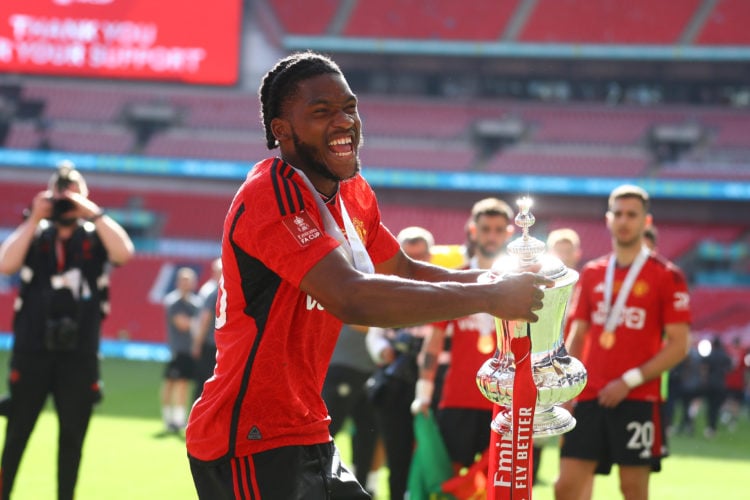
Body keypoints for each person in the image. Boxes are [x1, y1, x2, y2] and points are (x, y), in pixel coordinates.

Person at [185, 51, 550, 500]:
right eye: (322, 111)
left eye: (350, 107)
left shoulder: (352, 192)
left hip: (305, 430)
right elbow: (352, 298)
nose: (344, 122)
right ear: (281, 130)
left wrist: (495, 283)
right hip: (247, 441)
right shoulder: (270, 195)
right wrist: (491, 299)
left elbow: (404, 271)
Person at [0, 160, 134, 500]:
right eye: (60, 193)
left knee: (72, 440)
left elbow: (125, 253)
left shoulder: (94, 236)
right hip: (32, 351)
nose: (65, 200)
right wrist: (34, 216)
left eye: (72, 193)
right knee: (15, 436)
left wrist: (91, 211)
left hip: (79, 354)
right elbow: (5, 264)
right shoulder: (35, 235)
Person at [554, 184, 691, 500]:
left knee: (632, 489)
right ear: (607, 219)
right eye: (618, 214)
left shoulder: (666, 276)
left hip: (637, 397)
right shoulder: (591, 272)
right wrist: (567, 389)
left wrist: (628, 381)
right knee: (566, 486)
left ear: (646, 222)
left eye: (632, 214)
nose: (624, 221)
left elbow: (679, 344)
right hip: (589, 395)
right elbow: (578, 334)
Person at [412, 198, 515, 476]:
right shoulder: (455, 279)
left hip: (505, 401)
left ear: (509, 233)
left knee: (498, 483)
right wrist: (423, 394)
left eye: (498, 229)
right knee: (453, 483)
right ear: (472, 230)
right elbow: (433, 342)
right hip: (457, 398)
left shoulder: (517, 284)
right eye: (485, 229)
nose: (491, 236)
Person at [365, 226, 438, 500]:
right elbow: (375, 335)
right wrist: (385, 351)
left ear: (430, 256)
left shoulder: (442, 289)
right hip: (396, 382)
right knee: (397, 455)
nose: (415, 263)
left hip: (432, 382)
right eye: (409, 257)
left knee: (432, 457)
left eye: (420, 256)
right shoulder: (386, 289)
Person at [322, 323, 381, 495]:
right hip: (343, 366)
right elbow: (358, 319)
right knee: (326, 432)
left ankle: (361, 489)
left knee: (368, 433)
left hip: (370, 370)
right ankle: (316, 482)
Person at [160, 266, 201, 433]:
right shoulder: (173, 301)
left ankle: (178, 418)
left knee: (183, 383)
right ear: (178, 282)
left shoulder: (196, 302)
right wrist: (199, 323)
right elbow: (182, 324)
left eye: (189, 280)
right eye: (183, 280)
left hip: (189, 349)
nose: (186, 283)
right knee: (171, 383)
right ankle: (168, 417)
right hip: (178, 349)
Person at [192, 257, 222, 403]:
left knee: (205, 382)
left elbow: (204, 320)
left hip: (211, 344)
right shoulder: (222, 291)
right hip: (220, 344)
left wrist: (197, 343)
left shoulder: (212, 292)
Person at [701, 336, 732, 438]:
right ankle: (714, 427)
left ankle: (710, 426)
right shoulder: (725, 356)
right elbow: (730, 368)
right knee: (716, 407)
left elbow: (704, 368)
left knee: (710, 407)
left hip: (710, 384)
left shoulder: (710, 355)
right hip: (720, 384)